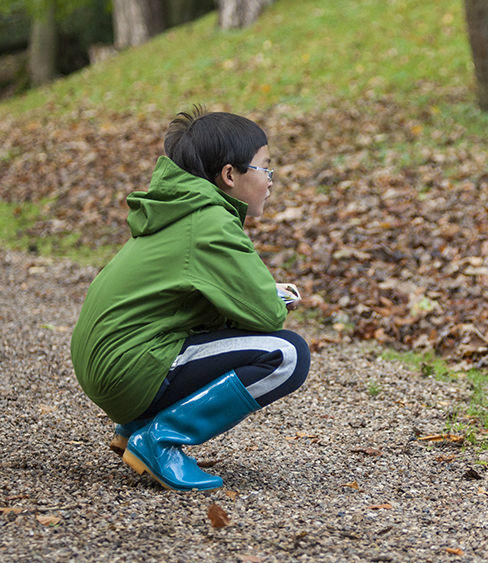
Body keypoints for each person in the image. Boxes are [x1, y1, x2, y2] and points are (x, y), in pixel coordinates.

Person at [70, 106, 310, 491]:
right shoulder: (209, 222)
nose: (270, 182)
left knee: (231, 329)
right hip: (129, 369)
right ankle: (160, 440)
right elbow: (266, 315)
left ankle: (135, 427)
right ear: (230, 175)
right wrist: (273, 297)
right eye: (266, 168)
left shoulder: (179, 209)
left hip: (106, 362)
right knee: (287, 354)